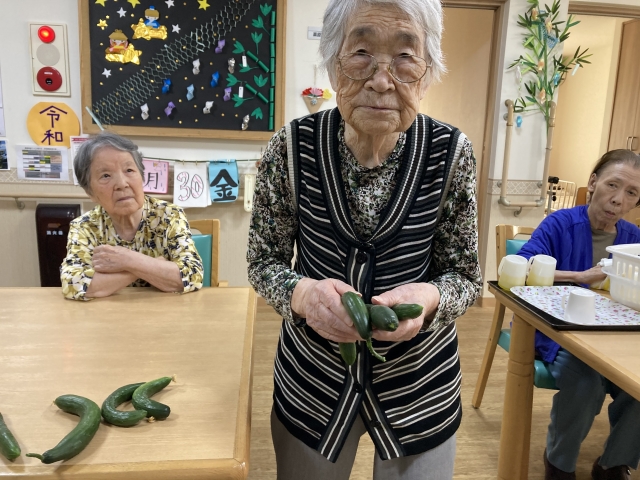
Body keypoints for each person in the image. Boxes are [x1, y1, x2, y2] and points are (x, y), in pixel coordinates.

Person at [246, 0, 482, 478]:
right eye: (361, 53)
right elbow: (262, 261)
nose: (381, 80)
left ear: (427, 72)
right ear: (334, 64)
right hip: (314, 379)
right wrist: (304, 295)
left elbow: (466, 276)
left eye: (405, 57)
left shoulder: (451, 153)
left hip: (420, 382)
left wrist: (430, 299)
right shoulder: (290, 147)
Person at [518, 149, 640, 480]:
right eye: (613, 185)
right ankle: (559, 464)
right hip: (560, 334)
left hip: (615, 340)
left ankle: (614, 463)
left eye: (631, 193)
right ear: (593, 182)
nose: (618, 199)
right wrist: (579, 276)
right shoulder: (560, 224)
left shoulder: (633, 241)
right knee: (586, 383)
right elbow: (522, 268)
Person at [61, 131, 203, 301]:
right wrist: (150, 267)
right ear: (90, 192)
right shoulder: (84, 226)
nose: (122, 184)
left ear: (142, 177)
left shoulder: (169, 215)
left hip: (165, 311)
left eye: (129, 170)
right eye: (106, 175)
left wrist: (127, 260)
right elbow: (74, 285)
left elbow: (191, 275)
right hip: (107, 312)